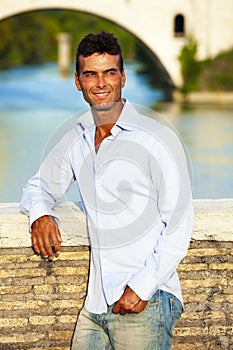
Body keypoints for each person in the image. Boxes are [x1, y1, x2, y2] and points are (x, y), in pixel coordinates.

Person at [20, 31, 194, 349]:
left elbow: (180, 224)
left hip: (147, 300)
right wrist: (40, 213)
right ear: (78, 82)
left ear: (123, 78)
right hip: (96, 305)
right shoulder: (77, 137)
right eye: (91, 74)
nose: (101, 84)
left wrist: (141, 288)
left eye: (109, 73)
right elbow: (38, 186)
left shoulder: (157, 138)